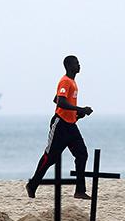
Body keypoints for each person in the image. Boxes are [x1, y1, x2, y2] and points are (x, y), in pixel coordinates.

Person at [27, 55, 93, 199]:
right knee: (50, 158)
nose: (79, 65)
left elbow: (56, 98)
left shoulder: (72, 83)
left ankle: (80, 191)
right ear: (69, 66)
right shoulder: (65, 81)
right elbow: (60, 103)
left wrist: (77, 114)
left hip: (71, 125)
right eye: (76, 63)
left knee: (82, 154)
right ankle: (32, 185)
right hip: (60, 125)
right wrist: (80, 109)